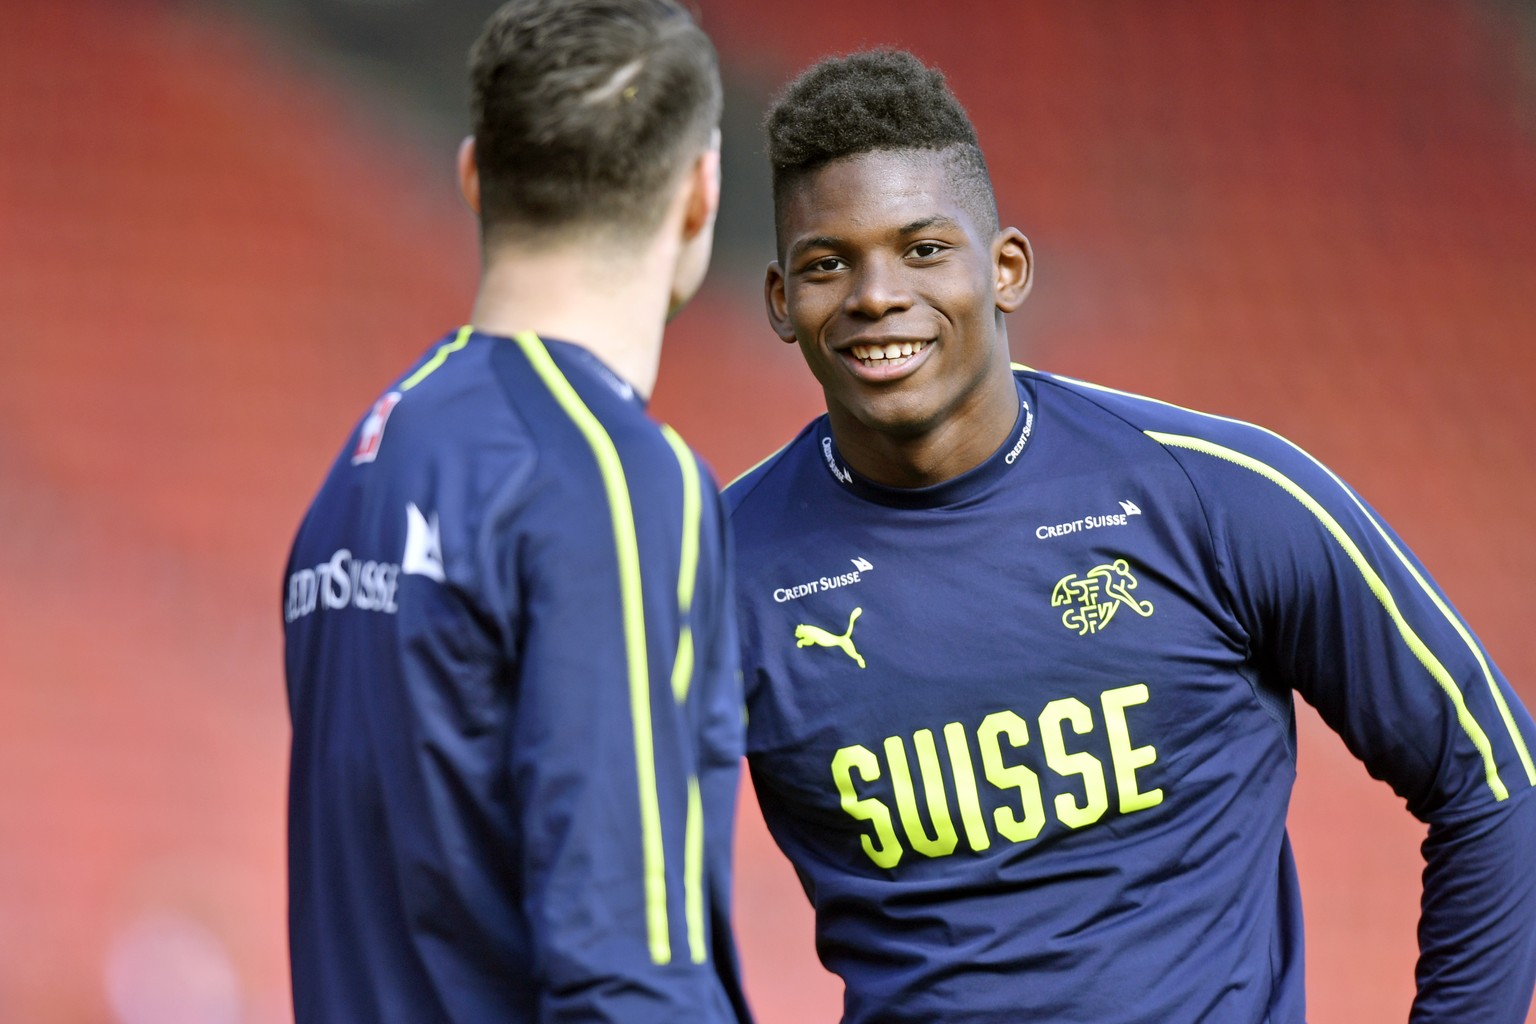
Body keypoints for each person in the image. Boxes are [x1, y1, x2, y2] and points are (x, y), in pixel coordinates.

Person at [724, 48, 1536, 1022]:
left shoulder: (1216, 496)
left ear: (1007, 269)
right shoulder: (714, 572)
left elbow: (1493, 774)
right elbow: (609, 896)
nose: (875, 295)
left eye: (924, 248)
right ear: (782, 301)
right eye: (828, 263)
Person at [282, 2, 752, 1021]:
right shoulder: (613, 479)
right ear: (700, 191)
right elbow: (629, 971)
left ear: (472, 177)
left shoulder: (366, 463)